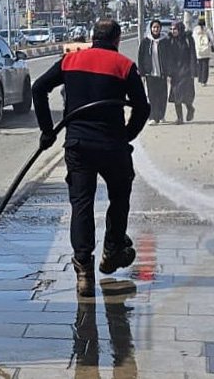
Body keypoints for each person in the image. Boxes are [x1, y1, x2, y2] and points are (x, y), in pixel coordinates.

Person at [32, 20, 151, 296]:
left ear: (91, 37)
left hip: (78, 146)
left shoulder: (70, 61)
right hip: (112, 146)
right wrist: (126, 135)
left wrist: (47, 130)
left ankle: (83, 271)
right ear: (117, 39)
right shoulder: (123, 65)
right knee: (120, 196)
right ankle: (112, 250)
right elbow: (143, 108)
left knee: (81, 204)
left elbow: (39, 88)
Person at [137, 20, 169, 123]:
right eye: (154, 27)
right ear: (151, 28)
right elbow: (140, 58)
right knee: (152, 96)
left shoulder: (164, 41)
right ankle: (152, 117)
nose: (156, 29)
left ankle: (161, 115)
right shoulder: (145, 42)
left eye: (157, 27)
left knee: (162, 96)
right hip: (150, 74)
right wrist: (142, 72)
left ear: (160, 28)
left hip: (162, 73)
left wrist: (169, 72)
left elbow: (170, 57)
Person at [166, 21, 196, 123]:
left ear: (180, 29)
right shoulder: (170, 40)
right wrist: (169, 72)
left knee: (186, 95)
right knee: (176, 95)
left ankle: (190, 108)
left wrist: (193, 71)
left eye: (175, 29)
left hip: (186, 71)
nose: (173, 31)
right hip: (175, 72)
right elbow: (168, 57)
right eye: (172, 29)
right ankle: (179, 118)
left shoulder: (188, 39)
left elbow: (193, 55)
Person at [192, 17, 214, 85]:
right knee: (205, 65)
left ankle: (200, 79)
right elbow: (212, 39)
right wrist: (210, 44)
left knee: (200, 65)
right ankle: (204, 81)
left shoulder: (195, 30)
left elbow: (193, 39)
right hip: (206, 49)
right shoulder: (207, 29)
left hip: (198, 50)